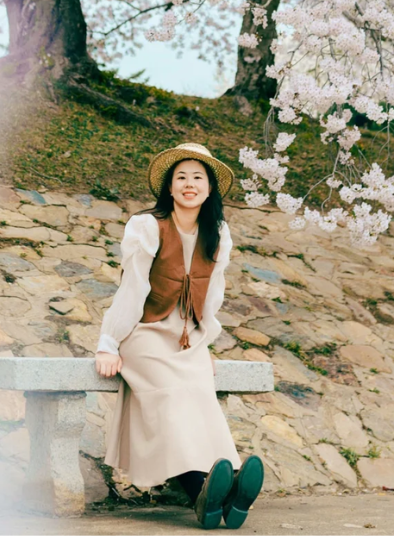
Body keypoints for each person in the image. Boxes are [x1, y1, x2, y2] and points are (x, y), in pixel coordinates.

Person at [93, 143, 265, 529]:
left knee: (200, 395)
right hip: (145, 333)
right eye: (181, 178)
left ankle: (216, 497)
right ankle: (215, 492)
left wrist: (206, 342)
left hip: (188, 338)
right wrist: (109, 341)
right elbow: (132, 288)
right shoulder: (147, 226)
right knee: (170, 397)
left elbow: (214, 295)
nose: (189, 184)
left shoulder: (217, 232)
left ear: (209, 190)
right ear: (169, 189)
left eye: (197, 178)